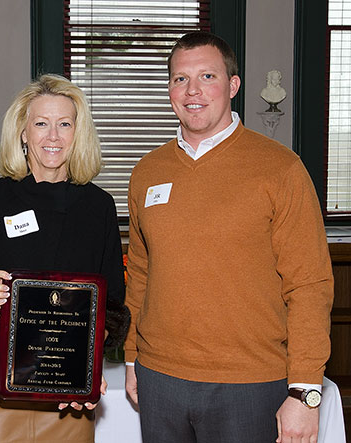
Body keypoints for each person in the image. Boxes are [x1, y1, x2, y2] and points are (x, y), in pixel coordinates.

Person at [124, 32, 333, 443]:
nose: (192, 91)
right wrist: (132, 358)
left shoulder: (281, 169)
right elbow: (142, 276)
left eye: (207, 76)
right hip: (159, 377)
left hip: (250, 383)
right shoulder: (147, 171)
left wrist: (306, 390)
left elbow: (310, 285)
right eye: (180, 79)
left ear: (233, 85)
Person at [0, 74, 129, 443]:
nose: (53, 136)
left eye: (65, 124)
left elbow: (111, 302)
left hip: (69, 395)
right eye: (41, 123)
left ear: (78, 133)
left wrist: (90, 363)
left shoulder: (99, 207)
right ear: (22, 132)